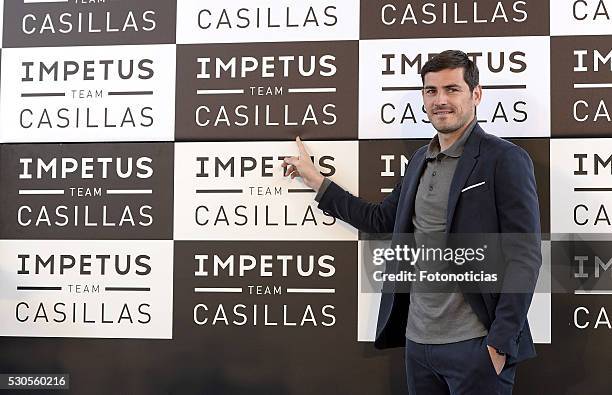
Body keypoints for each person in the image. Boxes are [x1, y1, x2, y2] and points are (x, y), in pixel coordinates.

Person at [282, 50, 542, 394]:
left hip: (476, 347)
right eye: (431, 91)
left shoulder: (504, 159)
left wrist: (499, 342)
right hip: (418, 346)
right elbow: (379, 219)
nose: (440, 100)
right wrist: (316, 179)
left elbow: (524, 255)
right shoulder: (421, 158)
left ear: (475, 94)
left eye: (452, 89)